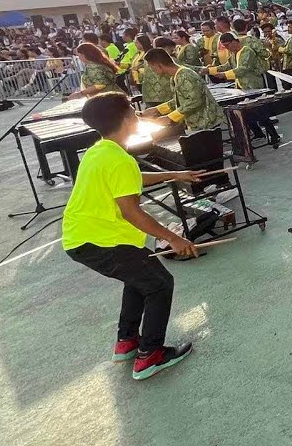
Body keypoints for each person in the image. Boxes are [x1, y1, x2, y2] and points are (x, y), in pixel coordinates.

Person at [62, 92, 202, 380]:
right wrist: (174, 238)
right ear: (127, 118)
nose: (137, 116)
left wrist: (175, 175)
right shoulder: (118, 160)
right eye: (133, 112)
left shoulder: (100, 150)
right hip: (102, 241)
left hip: (83, 238)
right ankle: (150, 355)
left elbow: (131, 178)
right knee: (160, 284)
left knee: (139, 280)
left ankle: (127, 341)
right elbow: (131, 212)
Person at [210, 33, 279, 144]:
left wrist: (225, 75)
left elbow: (243, 69)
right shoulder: (233, 54)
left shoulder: (247, 51)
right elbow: (227, 66)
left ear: (234, 41)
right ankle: (258, 133)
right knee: (246, 114)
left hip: (253, 86)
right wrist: (210, 70)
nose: (227, 48)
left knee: (259, 112)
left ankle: (274, 135)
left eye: (227, 45)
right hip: (241, 87)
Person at [143, 49, 225, 133]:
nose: (152, 71)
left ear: (158, 65)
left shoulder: (185, 75)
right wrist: (157, 110)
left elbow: (195, 101)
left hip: (206, 122)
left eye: (151, 67)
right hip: (197, 123)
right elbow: (181, 100)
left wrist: (170, 118)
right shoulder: (175, 76)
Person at [133, 36, 174, 108]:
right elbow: (182, 67)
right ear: (163, 48)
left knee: (152, 116)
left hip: (149, 94)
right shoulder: (165, 59)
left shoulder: (148, 58)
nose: (172, 51)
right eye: (170, 49)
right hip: (164, 95)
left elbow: (142, 75)